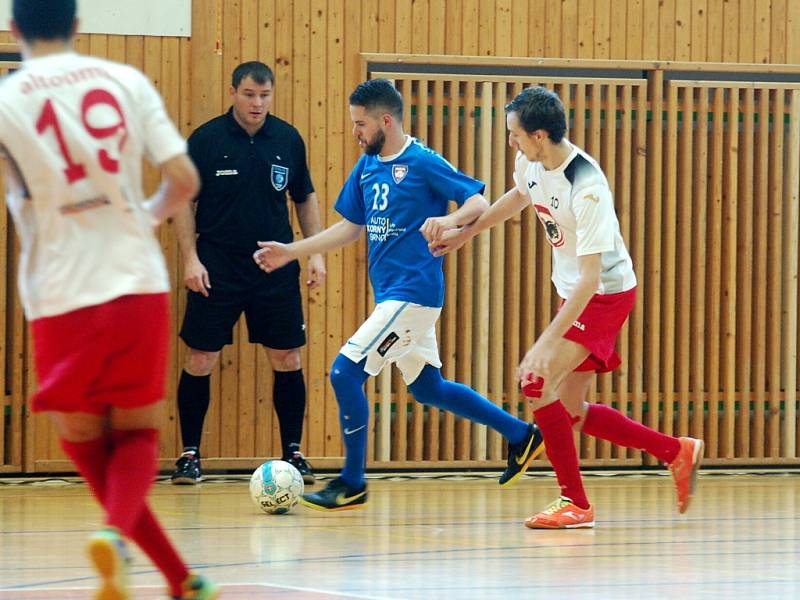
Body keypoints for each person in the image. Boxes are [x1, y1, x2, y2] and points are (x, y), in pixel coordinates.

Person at [0, 1, 218, 598]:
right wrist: (145, 218)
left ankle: (144, 554)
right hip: (134, 279)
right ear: (76, 24)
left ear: (14, 28)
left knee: (84, 442)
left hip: (59, 289)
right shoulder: (125, 81)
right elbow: (185, 181)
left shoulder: (7, 100)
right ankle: (160, 565)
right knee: (139, 436)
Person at [253, 78, 544, 511]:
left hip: (413, 294)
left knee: (345, 373)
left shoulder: (422, 161)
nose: (355, 132)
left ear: (385, 121)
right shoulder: (367, 166)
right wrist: (292, 252)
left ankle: (352, 482)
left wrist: (447, 223)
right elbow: (351, 227)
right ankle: (522, 435)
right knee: (429, 388)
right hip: (392, 295)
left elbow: (477, 203)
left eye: (360, 124)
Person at [430, 86, 704, 529]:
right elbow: (518, 196)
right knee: (570, 411)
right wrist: (465, 233)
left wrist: (544, 343)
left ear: (539, 135)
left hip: (603, 294)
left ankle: (575, 502)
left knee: (536, 381)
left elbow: (592, 279)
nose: (511, 143)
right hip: (574, 290)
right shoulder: (532, 162)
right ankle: (675, 451)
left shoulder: (587, 187)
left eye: (515, 135)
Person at [171, 60, 325, 485]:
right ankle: (189, 455)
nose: (257, 103)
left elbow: (305, 197)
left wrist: (313, 254)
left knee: (288, 357)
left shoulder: (288, 139)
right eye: (249, 94)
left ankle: (293, 453)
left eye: (265, 95)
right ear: (233, 92)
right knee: (201, 357)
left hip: (273, 266)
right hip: (216, 266)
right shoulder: (206, 139)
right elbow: (183, 202)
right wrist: (190, 258)